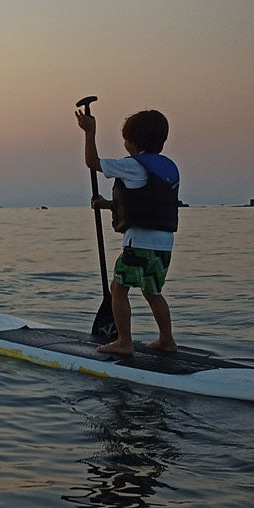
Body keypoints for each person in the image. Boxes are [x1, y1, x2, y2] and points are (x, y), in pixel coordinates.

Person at [77, 107, 180, 356]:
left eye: (125, 139)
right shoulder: (168, 167)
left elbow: (93, 162)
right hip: (164, 243)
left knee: (118, 289)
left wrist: (90, 132)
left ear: (132, 142)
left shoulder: (133, 166)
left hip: (139, 243)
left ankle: (124, 341)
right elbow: (146, 203)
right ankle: (167, 340)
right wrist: (107, 204)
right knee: (152, 291)